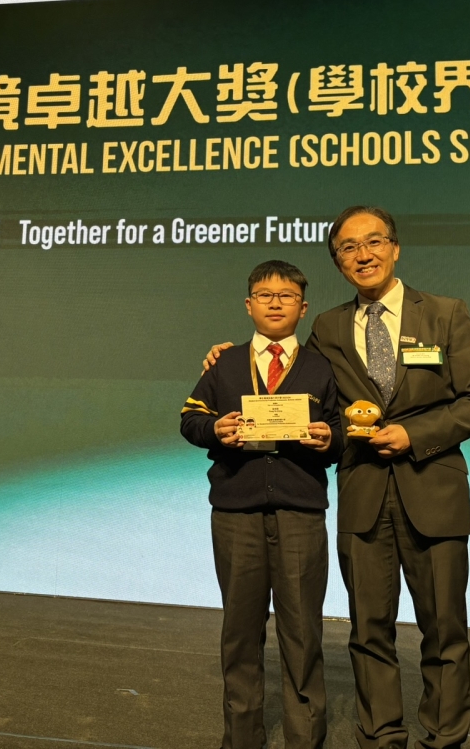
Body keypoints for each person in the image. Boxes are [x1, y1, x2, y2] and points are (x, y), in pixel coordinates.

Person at [203, 207, 470, 749]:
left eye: (373, 242)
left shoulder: (445, 314)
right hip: (362, 493)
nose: (363, 255)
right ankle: (381, 736)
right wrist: (232, 355)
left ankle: (444, 738)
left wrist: (414, 435)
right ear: (338, 262)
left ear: (395, 248)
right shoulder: (328, 327)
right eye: (348, 248)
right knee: (368, 629)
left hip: (434, 492)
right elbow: (294, 378)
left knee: (445, 630)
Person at [181, 260, 342, 749]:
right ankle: (242, 738)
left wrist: (329, 440)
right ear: (248, 305)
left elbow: (342, 432)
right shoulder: (225, 363)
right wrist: (216, 429)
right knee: (240, 633)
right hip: (236, 513)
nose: (275, 303)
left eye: (286, 296)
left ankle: (304, 739)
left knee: (303, 633)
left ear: (303, 307)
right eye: (265, 295)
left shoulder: (321, 367)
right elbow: (190, 420)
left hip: (300, 512)